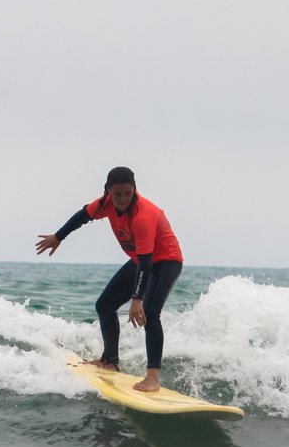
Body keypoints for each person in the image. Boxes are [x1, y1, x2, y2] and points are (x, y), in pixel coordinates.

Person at [35, 167, 183, 392]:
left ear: (134, 189)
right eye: (117, 194)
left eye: (128, 193)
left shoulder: (143, 216)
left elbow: (146, 263)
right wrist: (59, 236)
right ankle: (110, 362)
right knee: (104, 305)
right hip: (139, 260)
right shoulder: (105, 204)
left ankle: (153, 377)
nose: (123, 199)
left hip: (165, 261)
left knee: (151, 312)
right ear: (108, 192)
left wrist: (136, 298)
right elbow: (82, 216)